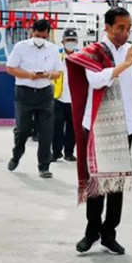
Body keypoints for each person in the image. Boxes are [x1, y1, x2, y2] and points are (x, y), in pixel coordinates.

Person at [66, 6, 132, 255]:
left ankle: (109, 233)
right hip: (98, 125)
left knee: (116, 184)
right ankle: (91, 232)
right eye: (120, 27)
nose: (125, 32)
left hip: (125, 126)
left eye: (129, 27)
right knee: (97, 183)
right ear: (108, 27)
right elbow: (97, 79)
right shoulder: (94, 52)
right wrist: (125, 64)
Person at [6, 18, 62, 178]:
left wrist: (48, 75)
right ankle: (16, 155)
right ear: (32, 32)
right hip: (24, 93)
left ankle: (44, 166)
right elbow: (10, 68)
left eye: (44, 37)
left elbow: (58, 72)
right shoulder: (21, 47)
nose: (40, 39)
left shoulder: (53, 49)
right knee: (23, 130)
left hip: (45, 93)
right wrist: (28, 75)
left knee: (46, 132)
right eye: (38, 35)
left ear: (48, 35)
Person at [52, 28, 79, 163]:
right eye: (68, 40)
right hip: (59, 98)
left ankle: (69, 152)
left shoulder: (82, 57)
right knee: (56, 127)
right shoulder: (57, 56)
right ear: (62, 41)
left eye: (73, 40)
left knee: (72, 129)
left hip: (75, 99)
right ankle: (56, 152)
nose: (71, 42)